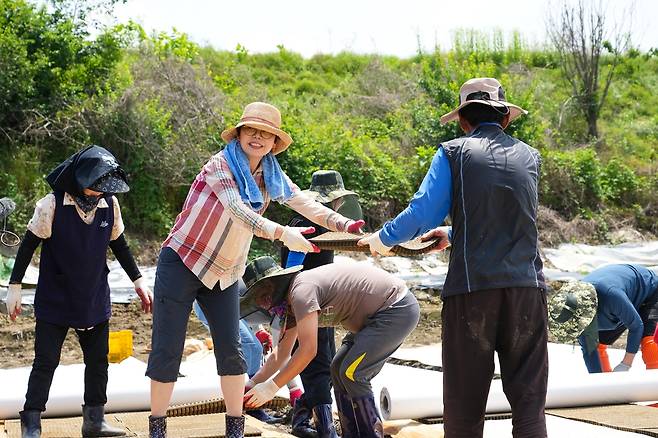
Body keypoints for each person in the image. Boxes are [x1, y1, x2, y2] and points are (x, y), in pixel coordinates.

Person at [146, 102, 364, 438]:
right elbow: (238, 211)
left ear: (274, 143)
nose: (258, 138)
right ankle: (157, 427)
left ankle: (235, 427)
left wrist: (345, 224)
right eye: (252, 131)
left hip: (225, 270)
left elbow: (303, 201)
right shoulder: (219, 166)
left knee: (232, 348)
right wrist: (284, 233)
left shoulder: (271, 173)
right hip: (185, 261)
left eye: (266, 134)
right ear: (240, 134)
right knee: (168, 347)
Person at [359, 77, 548, 437]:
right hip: (527, 290)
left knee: (464, 407)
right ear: (505, 118)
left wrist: (383, 240)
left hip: (472, 290)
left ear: (463, 120)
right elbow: (510, 218)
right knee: (529, 406)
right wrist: (454, 233)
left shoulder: (453, 152)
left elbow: (421, 215)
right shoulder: (530, 156)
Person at [6, 145, 153, 438]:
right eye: (94, 187)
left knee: (97, 361)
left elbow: (119, 245)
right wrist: (14, 287)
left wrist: (138, 280)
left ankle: (94, 420)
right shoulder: (51, 205)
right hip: (56, 296)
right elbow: (27, 246)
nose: (99, 193)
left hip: (93, 294)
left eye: (104, 188)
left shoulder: (109, 205)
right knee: (46, 361)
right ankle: (32, 422)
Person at [240, 256, 420, 438]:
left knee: (352, 372)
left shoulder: (301, 292)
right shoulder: (291, 304)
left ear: (275, 284)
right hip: (373, 319)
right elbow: (281, 354)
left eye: (263, 294)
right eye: (257, 298)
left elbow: (308, 350)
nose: (262, 302)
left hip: (395, 309)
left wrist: (271, 388)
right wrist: (253, 384)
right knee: (337, 368)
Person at [280, 169, 362, 438]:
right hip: (305, 302)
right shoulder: (305, 225)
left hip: (318, 302)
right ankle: (325, 427)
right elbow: (290, 268)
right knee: (317, 359)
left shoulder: (325, 225)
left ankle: (303, 417)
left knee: (323, 359)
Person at [549, 264, 658, 373]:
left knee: (650, 345)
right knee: (597, 346)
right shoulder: (576, 315)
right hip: (622, 300)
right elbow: (590, 350)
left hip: (650, 291)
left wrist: (626, 363)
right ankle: (609, 386)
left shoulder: (611, 295)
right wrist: (598, 381)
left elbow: (636, 326)